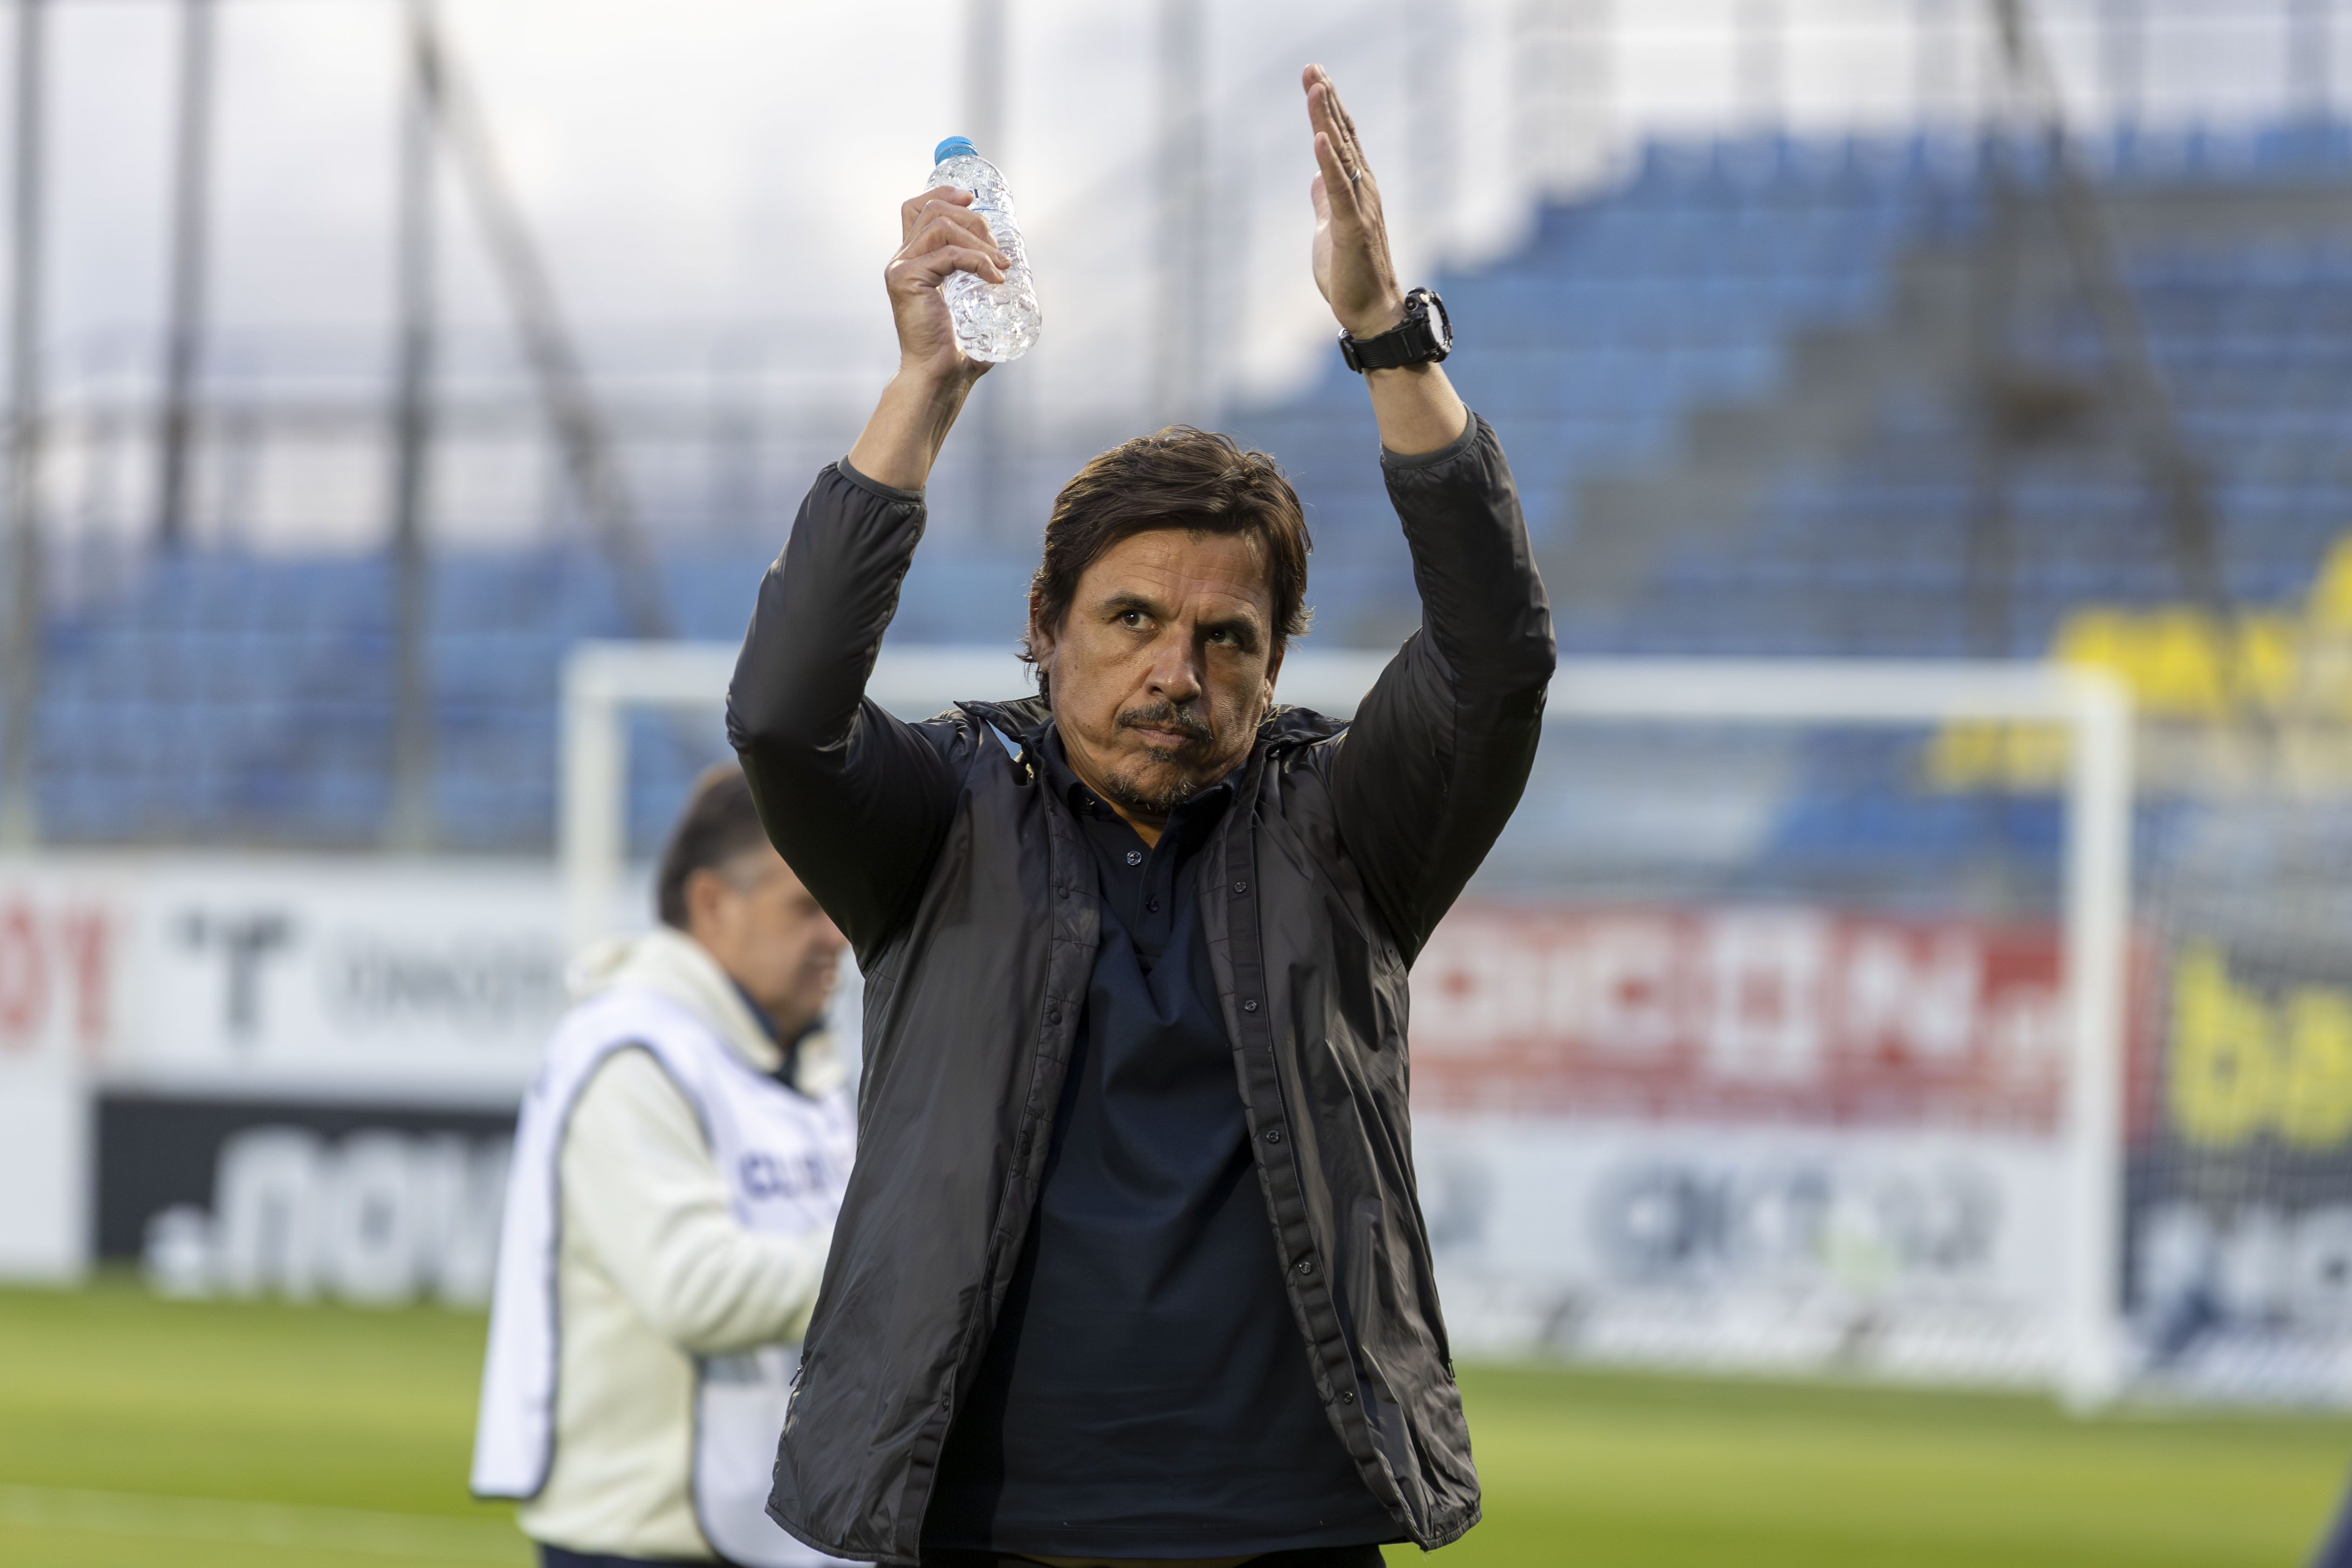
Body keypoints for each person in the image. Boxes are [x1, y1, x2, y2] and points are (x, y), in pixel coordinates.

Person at [729, 65, 1553, 1568]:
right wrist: (924, 389)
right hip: (986, 1525)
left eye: (1226, 637)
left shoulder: (1346, 833)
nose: (1177, 670)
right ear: (1043, 628)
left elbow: (1494, 660)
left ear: (1277, 663)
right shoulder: (940, 825)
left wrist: (1385, 334)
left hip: (1294, 1527)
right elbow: (784, 714)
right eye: (1131, 619)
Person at [473, 765, 862, 1568]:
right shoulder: (631, 1056)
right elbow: (694, 1287)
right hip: (643, 1541)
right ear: (713, 904)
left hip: (770, 1531)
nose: (836, 934)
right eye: (805, 906)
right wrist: (898, 1265)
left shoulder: (803, 1059)